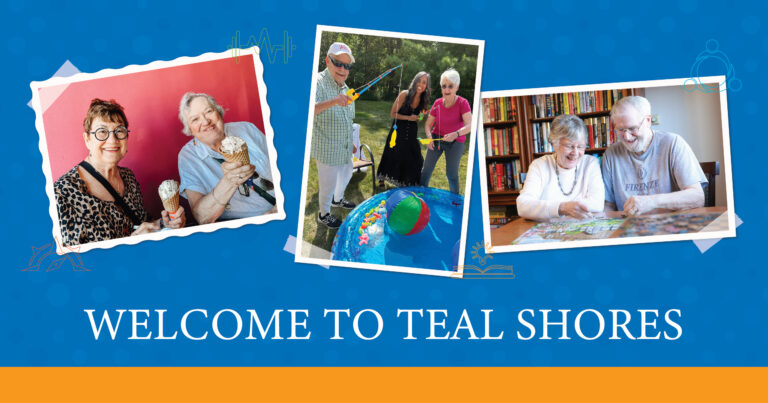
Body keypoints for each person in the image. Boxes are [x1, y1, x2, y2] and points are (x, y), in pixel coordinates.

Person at [54, 99, 185, 246]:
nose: (113, 140)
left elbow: (140, 224)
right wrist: (132, 242)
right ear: (87, 139)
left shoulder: (128, 177)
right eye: (102, 132)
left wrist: (163, 223)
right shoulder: (62, 194)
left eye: (119, 131)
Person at [177, 92, 276, 224]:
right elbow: (202, 217)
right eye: (195, 119)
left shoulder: (246, 129)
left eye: (209, 111)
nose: (205, 121)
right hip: (251, 226)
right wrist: (229, 181)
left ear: (219, 111)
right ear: (189, 129)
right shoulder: (188, 157)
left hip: (285, 205)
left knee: (297, 242)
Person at [602, 96, 707, 215]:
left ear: (648, 121)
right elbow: (608, 206)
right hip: (628, 228)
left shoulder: (673, 143)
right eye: (620, 129)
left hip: (671, 226)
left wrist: (652, 202)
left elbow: (697, 197)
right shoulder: (610, 154)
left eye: (632, 128)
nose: (626, 137)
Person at [517, 115, 604, 220]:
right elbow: (523, 206)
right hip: (546, 233)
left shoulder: (590, 163)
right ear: (555, 144)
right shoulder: (539, 165)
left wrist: (545, 209)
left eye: (580, 146)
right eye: (569, 146)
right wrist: (562, 208)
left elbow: (598, 204)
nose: (575, 153)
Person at [311, 42, 357, 228]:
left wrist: (351, 142)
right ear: (327, 61)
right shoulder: (317, 82)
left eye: (347, 66)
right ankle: (324, 214)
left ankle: (338, 199)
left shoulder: (346, 88)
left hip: (344, 147)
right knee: (327, 185)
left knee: (346, 174)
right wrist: (333, 101)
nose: (342, 69)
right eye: (338, 63)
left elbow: (349, 119)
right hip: (327, 149)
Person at [420, 68, 472, 194]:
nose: (447, 90)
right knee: (426, 170)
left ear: (456, 87)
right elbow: (427, 125)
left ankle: (455, 202)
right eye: (444, 86)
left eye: (450, 86)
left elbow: (471, 125)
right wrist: (429, 137)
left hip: (456, 141)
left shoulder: (462, 103)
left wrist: (456, 134)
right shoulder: (437, 103)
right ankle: (421, 195)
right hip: (437, 138)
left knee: (451, 174)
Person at [377, 71, 431, 187]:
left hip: (412, 131)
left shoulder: (423, 100)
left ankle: (409, 181)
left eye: (424, 82)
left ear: (426, 85)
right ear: (415, 81)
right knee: (393, 153)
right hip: (398, 130)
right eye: (419, 81)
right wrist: (408, 118)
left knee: (415, 157)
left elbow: (419, 118)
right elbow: (392, 114)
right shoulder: (404, 94)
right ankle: (382, 177)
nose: (421, 84)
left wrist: (421, 116)